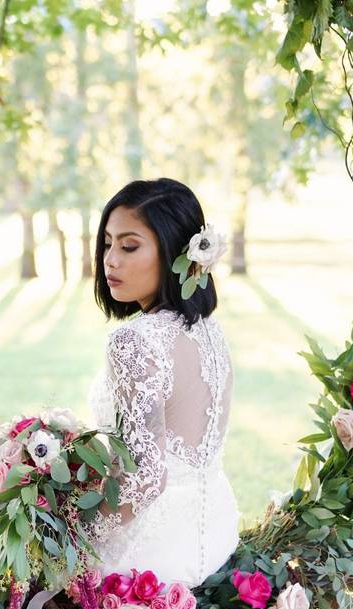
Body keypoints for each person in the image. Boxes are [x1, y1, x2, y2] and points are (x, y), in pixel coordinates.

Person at [86, 178, 240, 587]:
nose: (111, 260)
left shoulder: (134, 340)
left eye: (129, 245)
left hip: (154, 555)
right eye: (107, 244)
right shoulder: (209, 330)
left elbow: (145, 478)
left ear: (174, 252)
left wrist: (72, 531)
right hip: (216, 529)